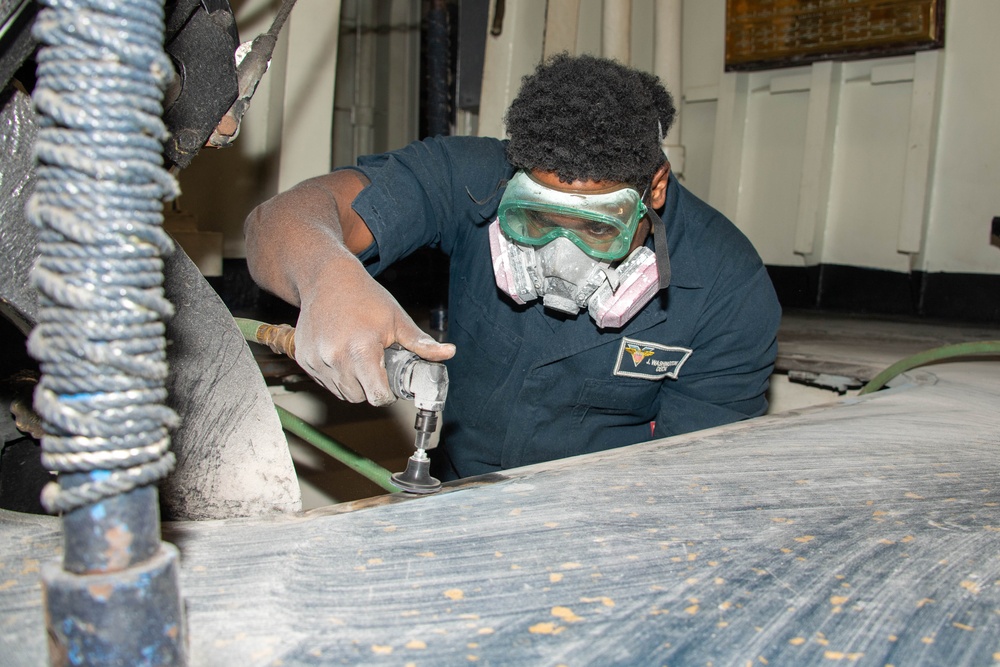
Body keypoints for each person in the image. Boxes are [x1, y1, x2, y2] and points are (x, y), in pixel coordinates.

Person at [244, 53, 781, 482]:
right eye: (538, 217)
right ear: (513, 176)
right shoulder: (470, 177)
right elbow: (276, 226)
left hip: (610, 517)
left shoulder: (728, 289)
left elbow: (692, 484)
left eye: (597, 227)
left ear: (654, 190)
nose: (562, 258)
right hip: (460, 490)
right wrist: (326, 274)